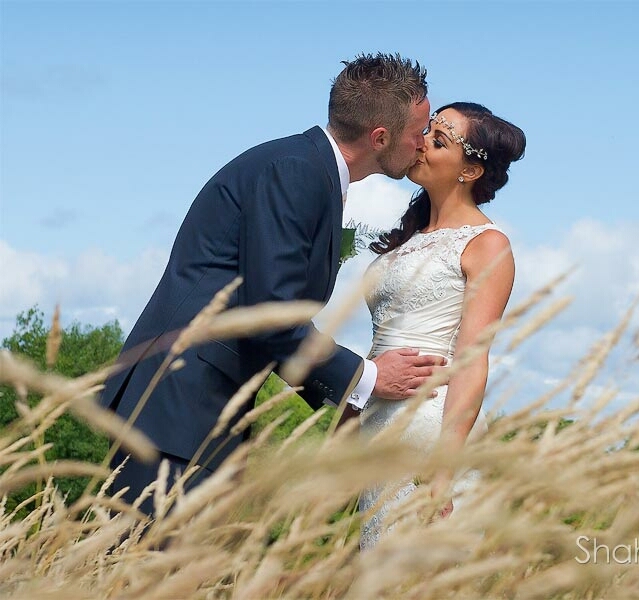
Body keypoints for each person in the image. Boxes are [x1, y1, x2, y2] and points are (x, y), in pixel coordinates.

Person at [99, 53, 446, 516]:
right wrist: (371, 378)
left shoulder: (307, 169)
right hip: (178, 407)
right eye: (418, 131)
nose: (422, 143)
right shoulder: (296, 171)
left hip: (195, 408)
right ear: (380, 137)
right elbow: (273, 315)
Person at [349, 102, 526, 548]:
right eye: (427, 131)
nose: (421, 142)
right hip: (377, 426)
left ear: (470, 171)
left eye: (439, 140)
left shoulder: (487, 245)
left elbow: (471, 359)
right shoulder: (408, 237)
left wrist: (445, 468)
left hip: (429, 428)